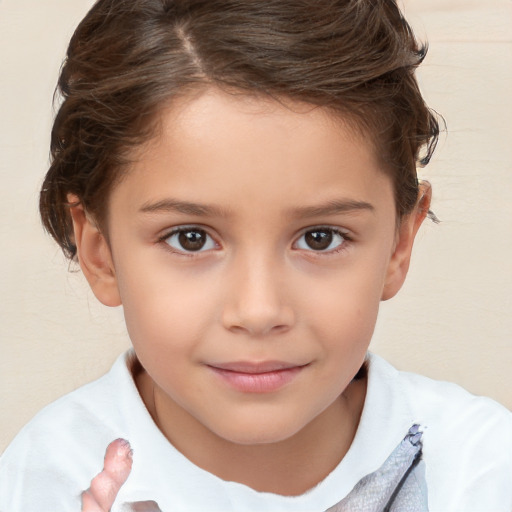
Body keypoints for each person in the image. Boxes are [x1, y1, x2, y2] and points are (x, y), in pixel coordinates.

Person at [0, 0, 510, 510]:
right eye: (190, 238)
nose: (259, 311)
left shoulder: (480, 471)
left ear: (399, 243)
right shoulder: (46, 479)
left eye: (320, 238)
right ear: (100, 251)